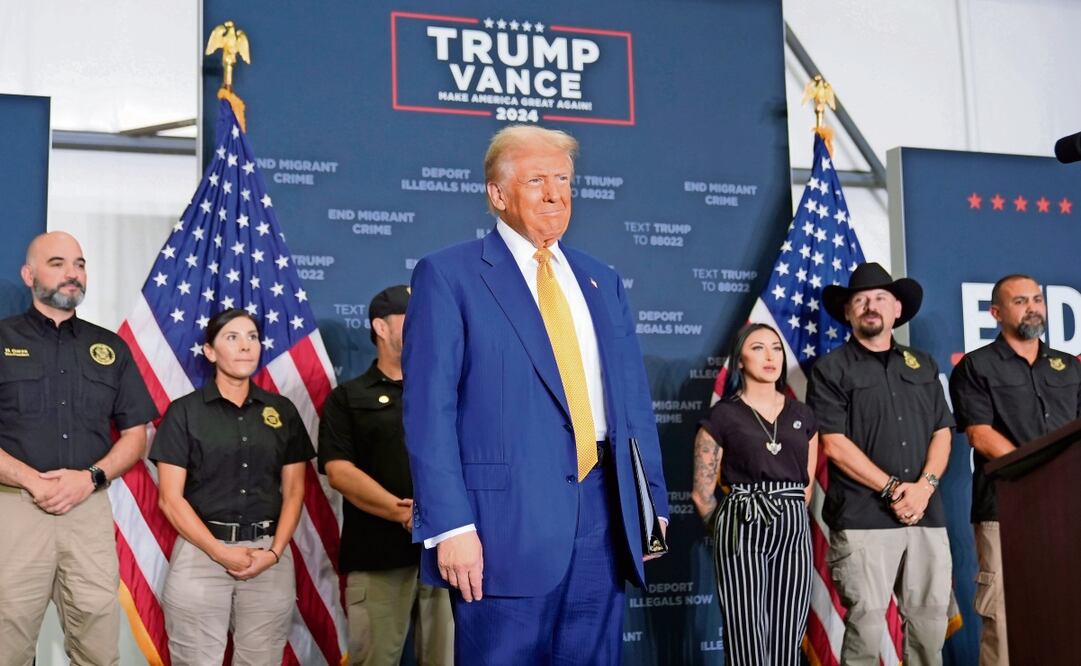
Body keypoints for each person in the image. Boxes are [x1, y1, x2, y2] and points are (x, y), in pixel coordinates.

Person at [402, 125, 668, 665]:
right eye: (538, 180)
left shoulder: (601, 279)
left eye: (565, 179)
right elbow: (430, 412)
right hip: (501, 526)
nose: (556, 193)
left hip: (603, 515)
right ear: (497, 195)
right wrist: (451, 525)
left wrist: (650, 502)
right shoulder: (448, 275)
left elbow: (632, 403)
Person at [0, 231, 157, 666]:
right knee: (7, 636)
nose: (73, 273)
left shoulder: (109, 348)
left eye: (80, 264)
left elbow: (136, 435)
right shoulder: (2, 339)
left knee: (98, 632)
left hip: (87, 507)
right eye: (58, 263)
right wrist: (34, 480)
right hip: (13, 507)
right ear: (29, 275)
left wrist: (90, 478)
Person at [806, 262, 953, 666]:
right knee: (867, 631)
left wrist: (923, 488)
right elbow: (833, 444)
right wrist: (892, 489)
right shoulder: (830, 369)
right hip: (862, 518)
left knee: (929, 628)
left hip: (925, 516)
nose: (871, 305)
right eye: (861, 300)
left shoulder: (923, 365)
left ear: (897, 311)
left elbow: (943, 431)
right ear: (849, 313)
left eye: (880, 298)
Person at [150, 308, 315, 665]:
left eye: (252, 337)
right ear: (210, 352)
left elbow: (295, 492)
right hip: (201, 553)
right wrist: (219, 552)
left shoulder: (282, 411)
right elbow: (170, 500)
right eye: (232, 337)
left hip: (268, 555)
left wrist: (273, 553)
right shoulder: (184, 413)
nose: (245, 346)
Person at [949, 274, 1081, 665]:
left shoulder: (1068, 367)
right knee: (1004, 618)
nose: (1033, 307)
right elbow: (980, 434)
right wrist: (1039, 477)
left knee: (1067, 611)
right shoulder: (976, 366)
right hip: (1005, 511)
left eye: (1037, 299)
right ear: (996, 312)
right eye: (1020, 301)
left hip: (1067, 513)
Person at [320, 285, 453, 666]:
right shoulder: (347, 397)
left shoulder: (446, 392)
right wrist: (402, 512)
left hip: (447, 553)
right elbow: (339, 471)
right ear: (381, 326)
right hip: (377, 556)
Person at [692, 323, 817, 665]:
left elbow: (806, 485)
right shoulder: (723, 415)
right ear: (740, 360)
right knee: (745, 634)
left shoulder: (803, 414)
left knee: (788, 635)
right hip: (742, 520)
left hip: (792, 522)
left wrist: (786, 513)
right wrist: (728, 532)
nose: (770, 355)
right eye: (759, 347)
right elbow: (702, 494)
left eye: (776, 348)